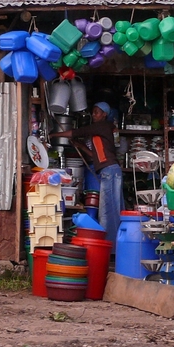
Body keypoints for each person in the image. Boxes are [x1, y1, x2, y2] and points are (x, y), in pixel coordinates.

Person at [62, 101, 123, 246]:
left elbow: (75, 132)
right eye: (93, 112)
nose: (93, 115)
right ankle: (113, 245)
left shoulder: (103, 126)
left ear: (104, 115)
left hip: (110, 171)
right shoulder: (100, 131)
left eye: (96, 112)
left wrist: (55, 135)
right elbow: (94, 155)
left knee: (108, 211)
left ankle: (110, 246)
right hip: (109, 171)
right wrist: (80, 146)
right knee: (111, 209)